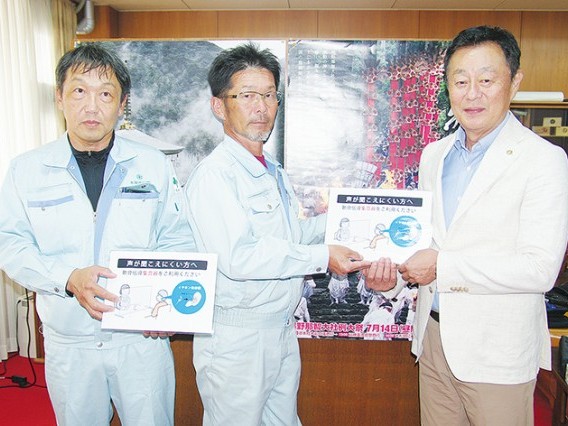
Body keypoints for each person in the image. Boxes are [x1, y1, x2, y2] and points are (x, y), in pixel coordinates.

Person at [184, 42, 397, 425]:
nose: (261, 107)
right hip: (238, 338)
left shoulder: (270, 169)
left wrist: (353, 220)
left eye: (269, 95)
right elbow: (240, 257)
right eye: (247, 95)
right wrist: (323, 256)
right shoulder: (216, 176)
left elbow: (291, 236)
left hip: (280, 329)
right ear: (219, 106)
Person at [368, 26, 568, 425]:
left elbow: (540, 268)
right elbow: (425, 244)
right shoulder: (434, 155)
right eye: (460, 81)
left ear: (514, 83)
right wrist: (391, 278)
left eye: (486, 80)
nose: (472, 93)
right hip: (433, 340)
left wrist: (442, 265)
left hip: (497, 353)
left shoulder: (543, 160)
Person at [0, 43, 194, 425]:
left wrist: (171, 302)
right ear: (59, 97)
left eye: (105, 94)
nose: (92, 106)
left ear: (121, 105)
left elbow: (178, 238)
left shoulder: (152, 165)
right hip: (69, 340)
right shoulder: (27, 170)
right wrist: (67, 278)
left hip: (140, 339)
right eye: (79, 91)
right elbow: (10, 244)